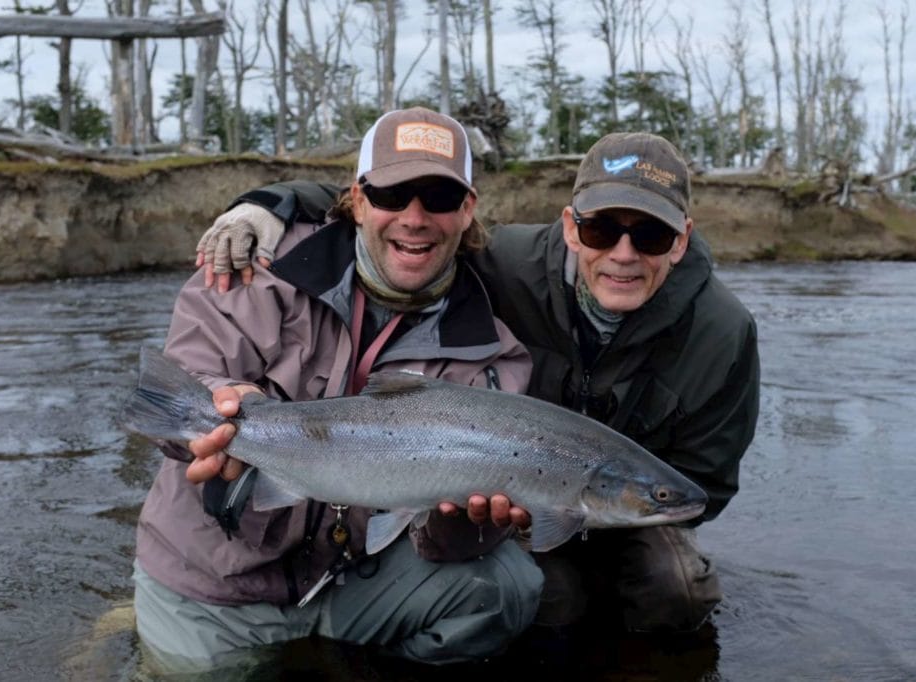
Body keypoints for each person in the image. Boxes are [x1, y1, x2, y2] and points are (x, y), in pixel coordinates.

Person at [195, 131, 760, 638]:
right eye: (602, 228)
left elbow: (703, 484)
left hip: (626, 501)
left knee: (675, 593)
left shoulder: (723, 333)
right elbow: (404, 212)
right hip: (503, 487)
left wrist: (610, 521)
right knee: (543, 597)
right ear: (570, 227)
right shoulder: (506, 261)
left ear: (682, 240)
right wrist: (265, 206)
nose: (623, 253)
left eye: (652, 237)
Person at [133, 106, 543, 673]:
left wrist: (469, 525)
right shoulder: (260, 264)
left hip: (352, 579)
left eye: (440, 198)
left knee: (507, 587)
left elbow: (441, 544)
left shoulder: (493, 351)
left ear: (468, 209)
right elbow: (186, 375)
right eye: (393, 195)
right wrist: (223, 401)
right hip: (215, 579)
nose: (415, 218)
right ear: (358, 199)